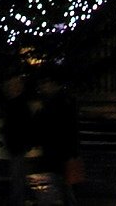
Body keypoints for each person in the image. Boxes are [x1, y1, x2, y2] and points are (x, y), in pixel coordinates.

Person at [31, 75, 82, 206]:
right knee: (64, 186)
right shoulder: (62, 101)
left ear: (53, 84)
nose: (43, 87)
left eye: (45, 83)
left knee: (61, 185)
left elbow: (48, 125)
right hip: (61, 151)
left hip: (58, 152)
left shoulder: (55, 103)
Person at [0, 68, 35, 206]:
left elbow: (20, 124)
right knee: (18, 173)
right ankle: (18, 199)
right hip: (17, 143)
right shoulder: (19, 103)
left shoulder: (17, 104)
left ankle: (18, 200)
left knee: (17, 174)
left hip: (16, 143)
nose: (12, 88)